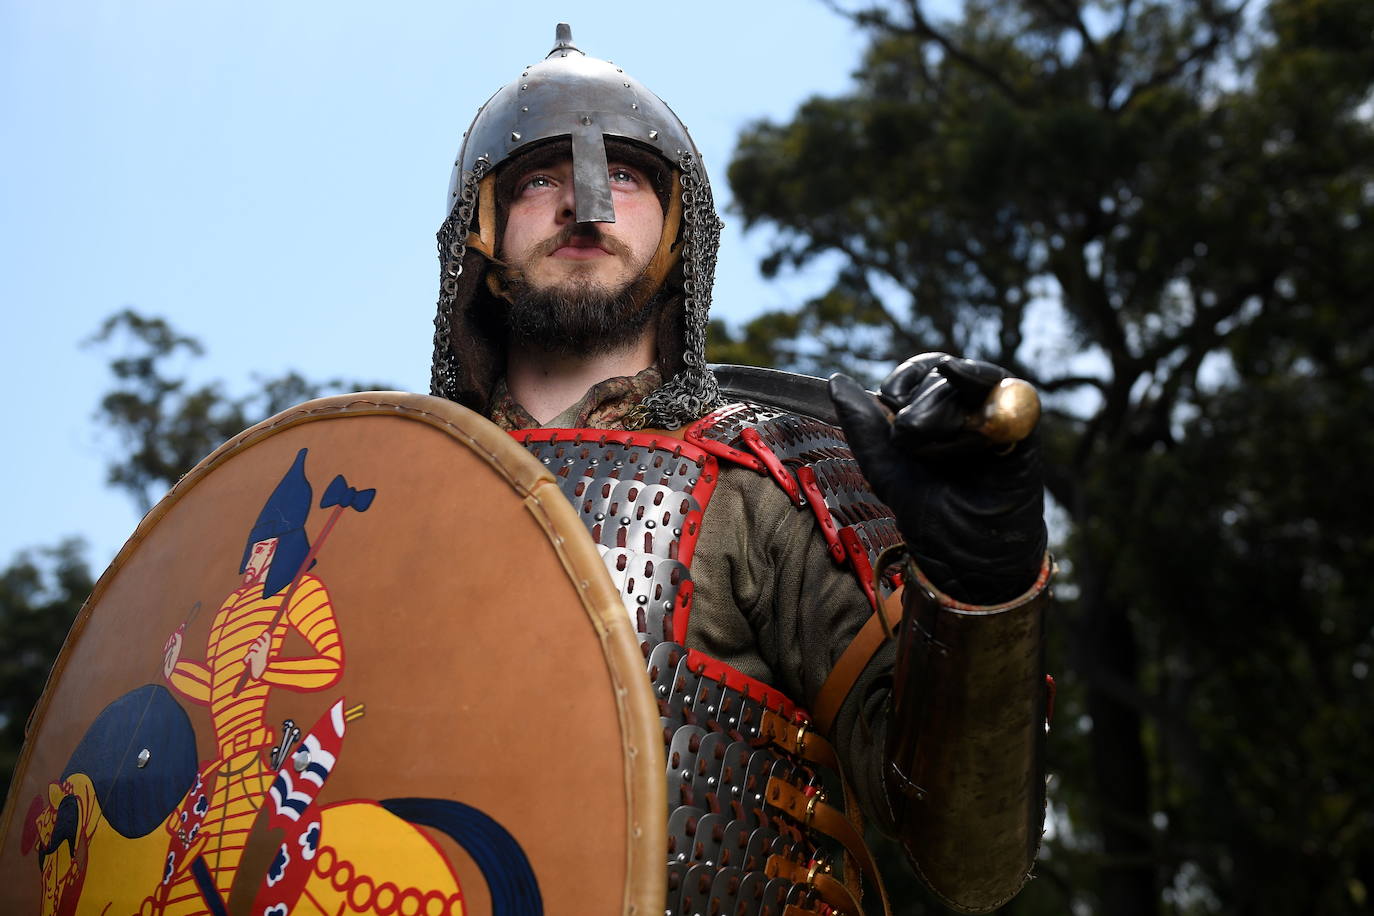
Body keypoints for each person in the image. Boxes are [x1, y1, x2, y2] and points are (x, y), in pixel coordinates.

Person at [430, 24, 1051, 916]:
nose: (588, 205)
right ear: (481, 240)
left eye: (628, 177)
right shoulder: (387, 502)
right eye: (540, 180)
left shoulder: (772, 472)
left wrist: (981, 587)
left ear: (681, 233)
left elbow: (973, 857)